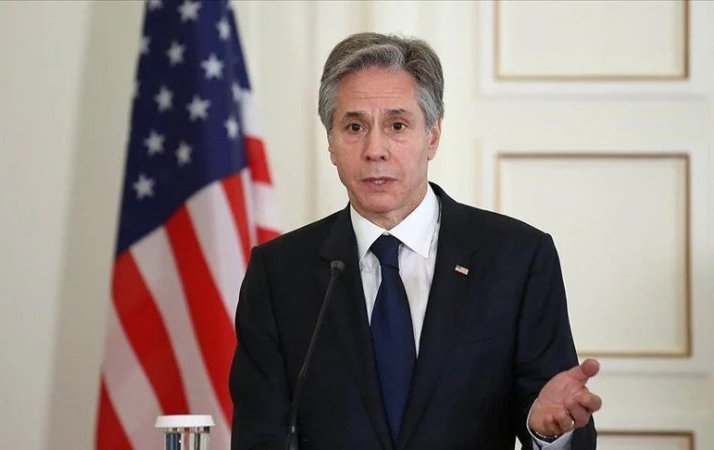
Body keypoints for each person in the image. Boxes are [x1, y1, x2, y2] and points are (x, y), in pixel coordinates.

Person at [230, 32, 602, 450]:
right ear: (331, 143)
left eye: (397, 125)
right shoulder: (279, 273)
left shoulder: (517, 258)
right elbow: (258, 436)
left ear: (433, 135)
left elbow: (561, 416)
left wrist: (548, 431)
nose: (375, 149)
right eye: (354, 127)